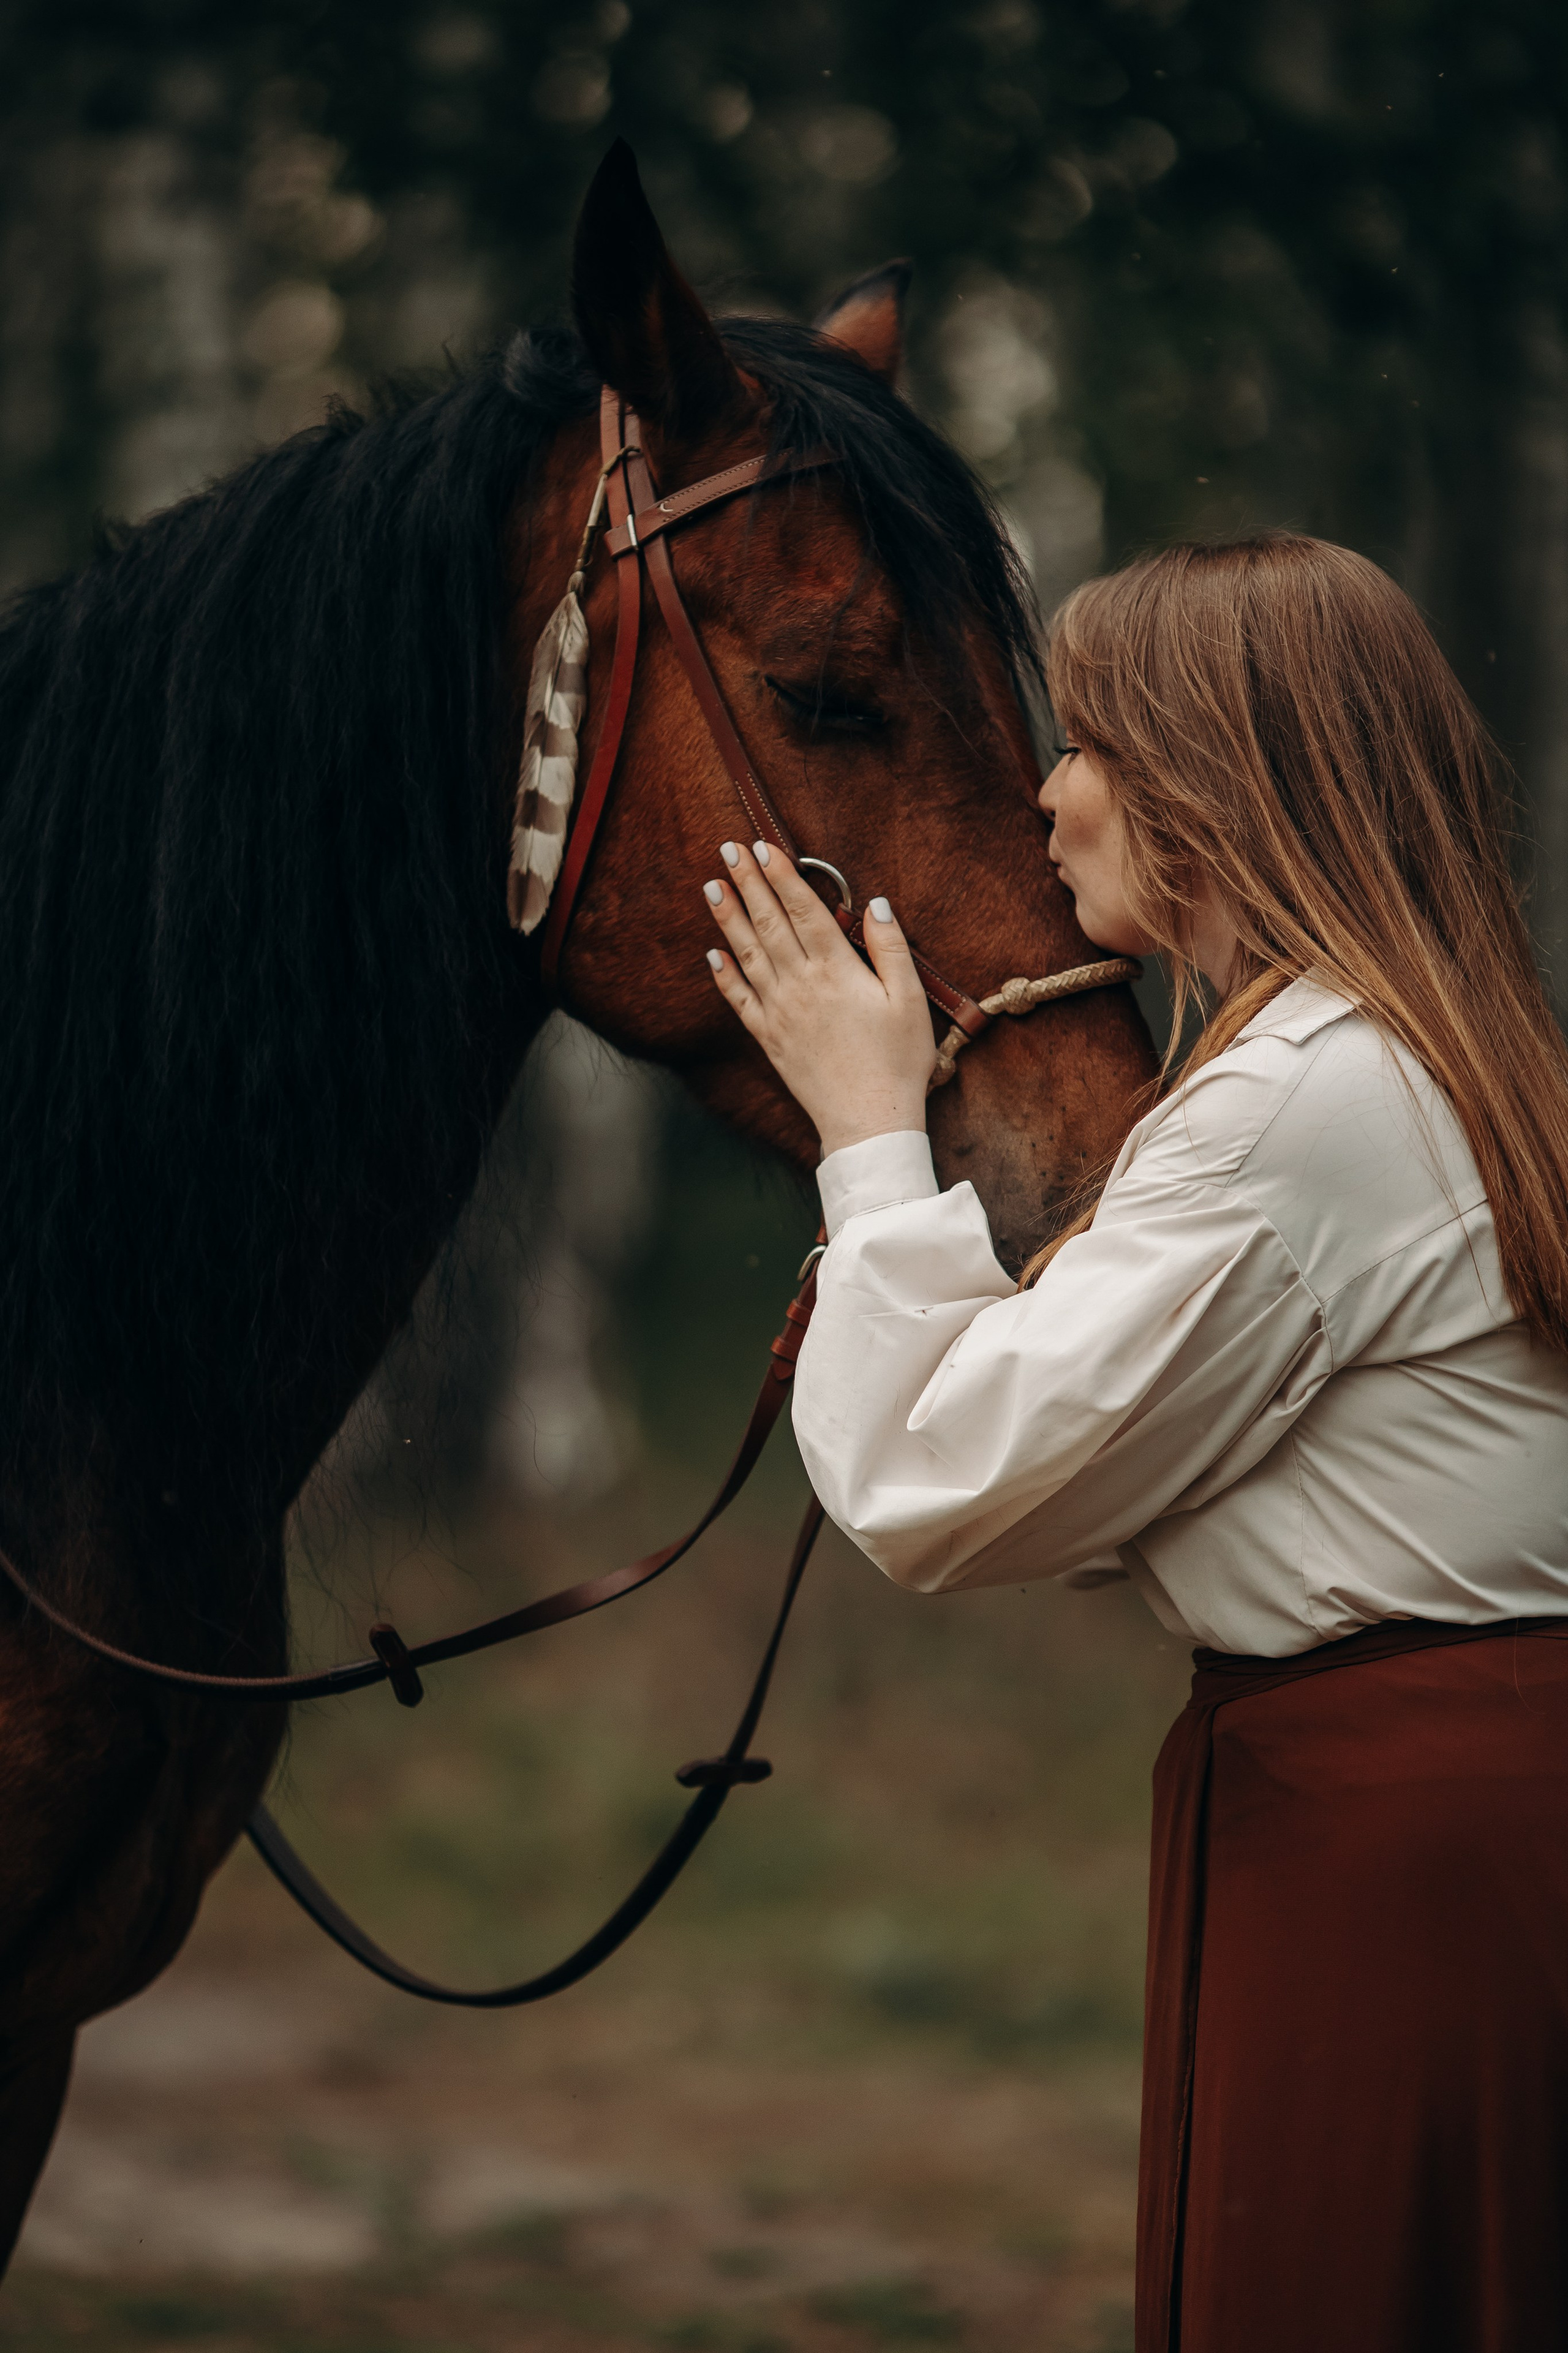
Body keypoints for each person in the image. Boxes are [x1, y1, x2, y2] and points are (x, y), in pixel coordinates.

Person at [698, 533, 1568, 2353]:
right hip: (1434, 1819)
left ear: (1212, 784)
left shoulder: (1297, 1101)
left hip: (1395, 1851)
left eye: (1088, 742)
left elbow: (946, 1489)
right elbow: (1108, 1461)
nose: (1047, 793)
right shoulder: (1403, 1053)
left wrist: (868, 1131)